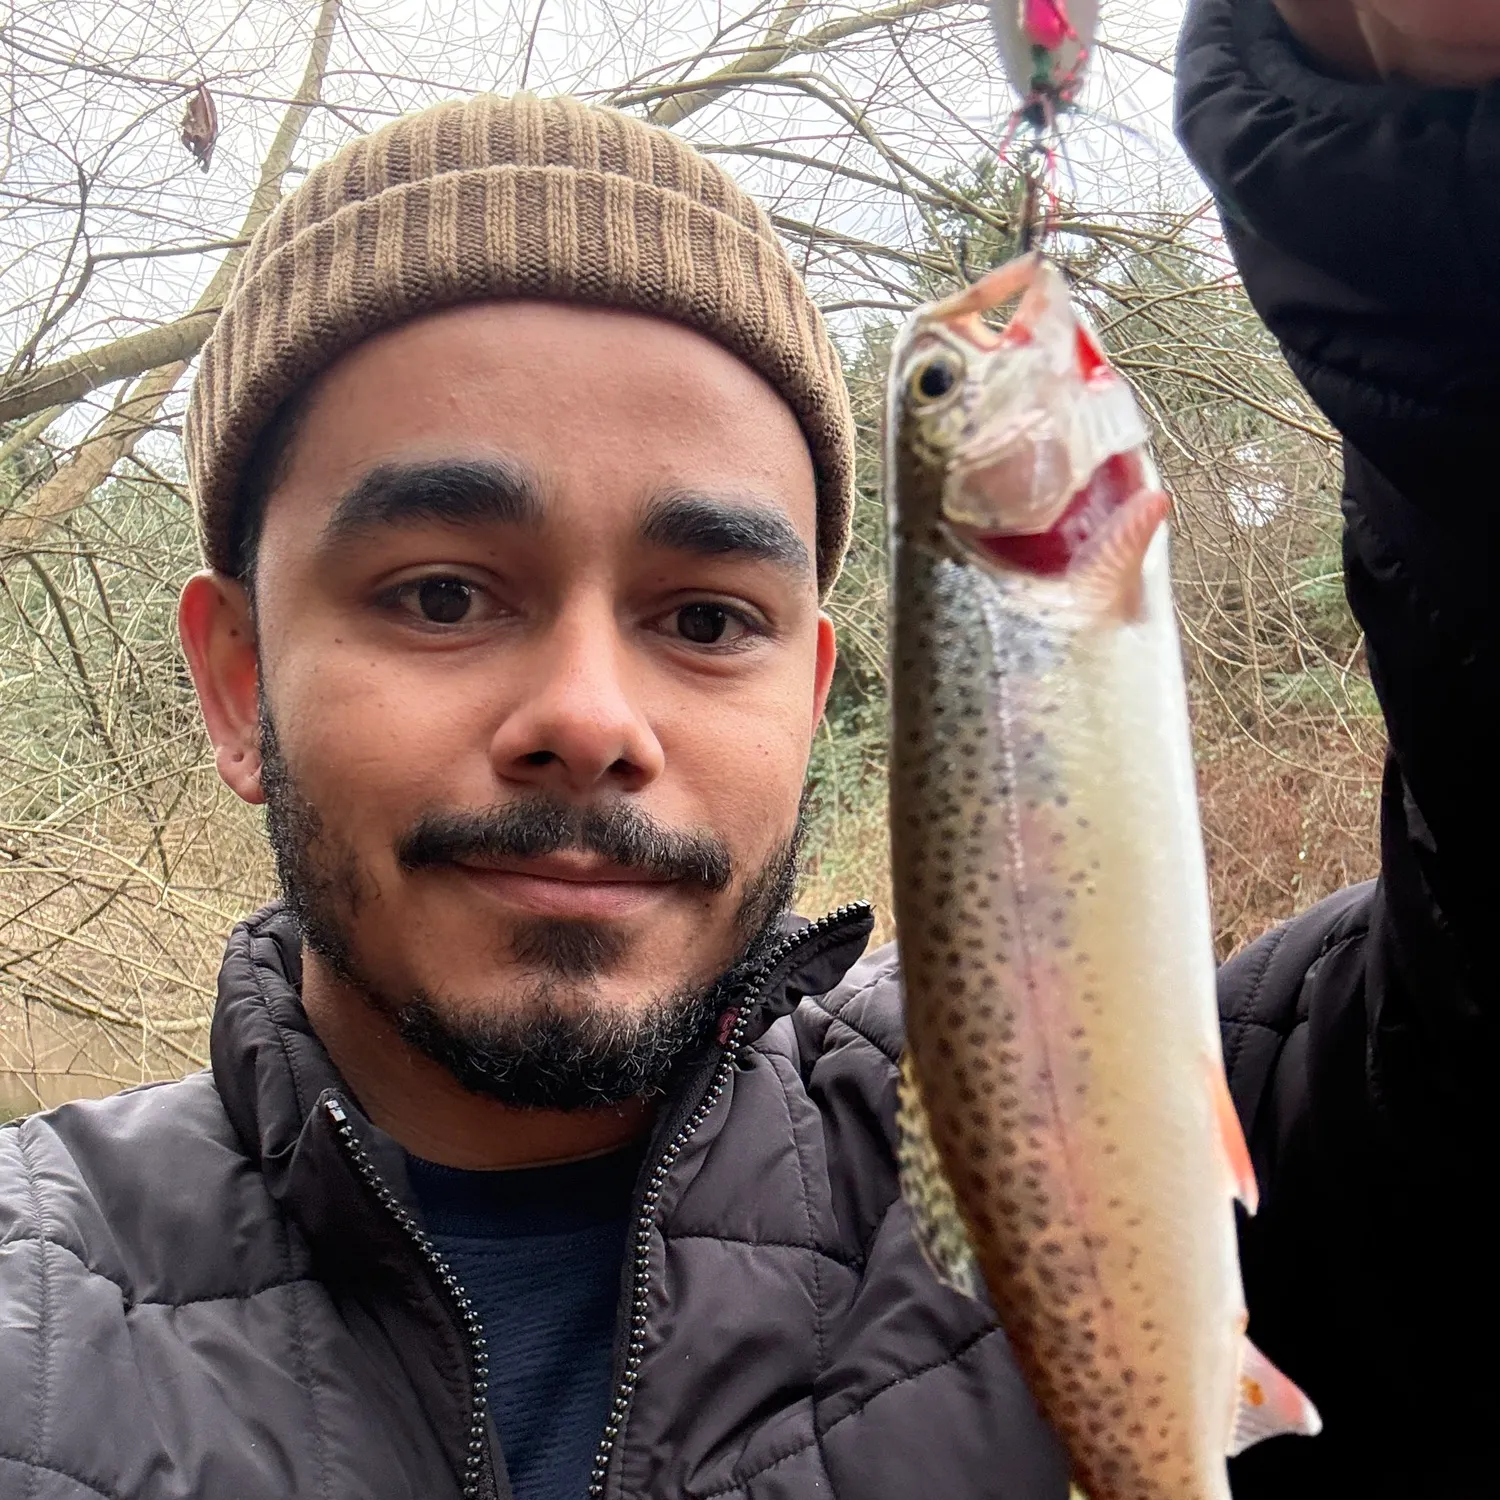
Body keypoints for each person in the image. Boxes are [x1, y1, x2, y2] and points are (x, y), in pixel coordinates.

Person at [0, 3, 1491, 1497]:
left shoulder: (1140, 1123)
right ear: (239, 680)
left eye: (706, 620)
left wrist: (1404, 125)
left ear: (814, 693)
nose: (590, 720)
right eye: (442, 596)